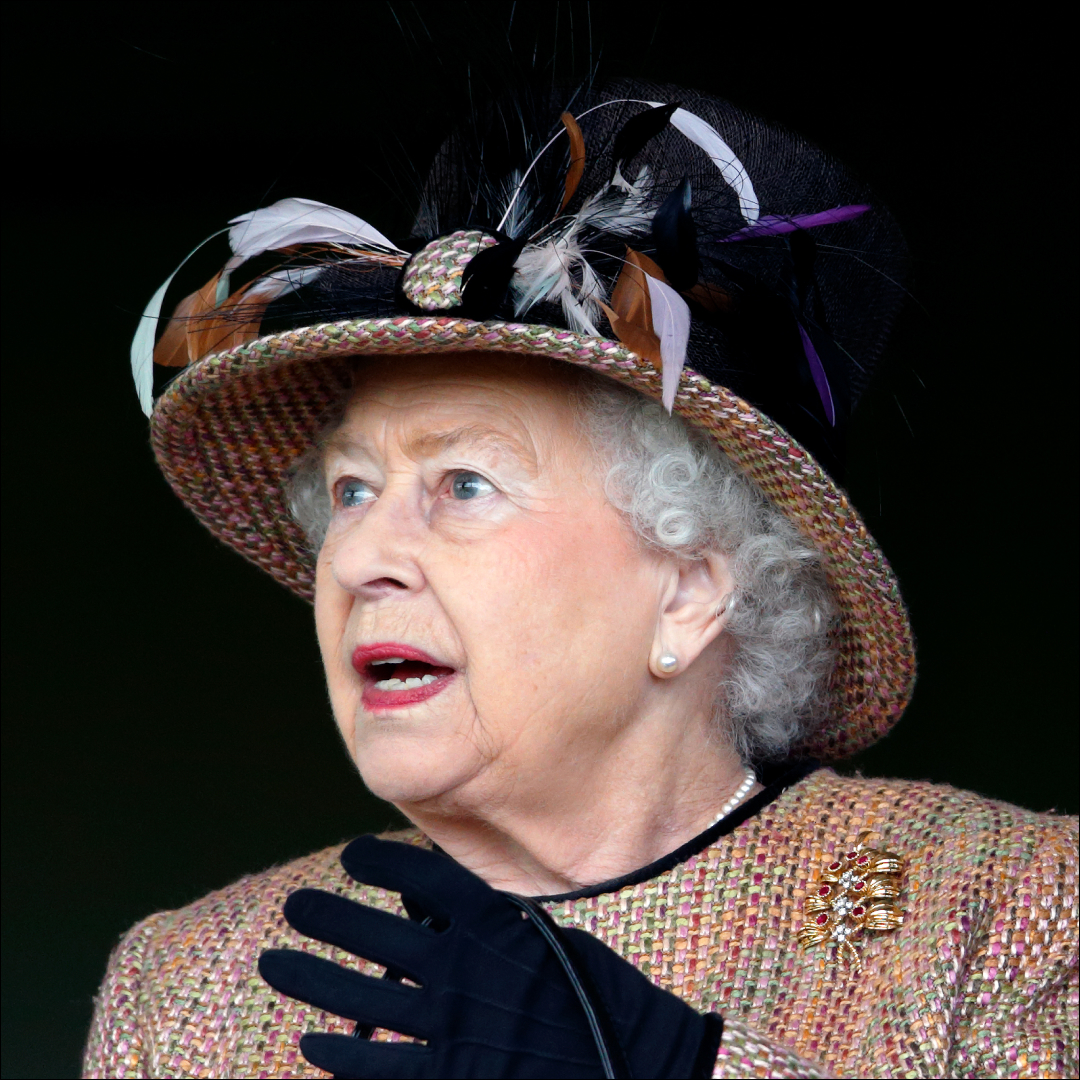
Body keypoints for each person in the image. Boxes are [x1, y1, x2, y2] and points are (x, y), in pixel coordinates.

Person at [84, 81, 1078, 1079]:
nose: (356, 557)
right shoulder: (189, 990)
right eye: (351, 491)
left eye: (464, 484)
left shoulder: (1011, 911)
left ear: (690, 588)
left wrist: (678, 1069)